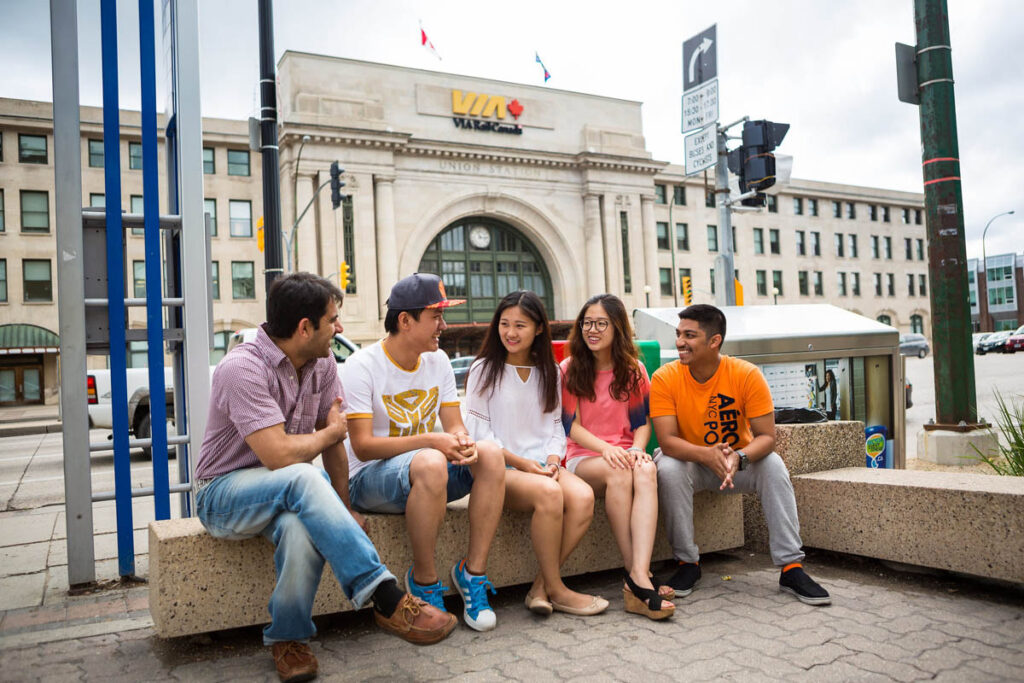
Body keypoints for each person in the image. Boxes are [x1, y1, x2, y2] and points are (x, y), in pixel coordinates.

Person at [194, 272, 456, 683]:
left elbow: (336, 448)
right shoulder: (241, 368)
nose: (340, 328)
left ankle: (288, 639)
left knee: (301, 530)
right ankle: (384, 596)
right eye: (333, 320)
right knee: (300, 475)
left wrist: (346, 508)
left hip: (287, 492)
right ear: (304, 328)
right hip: (224, 494)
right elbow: (281, 454)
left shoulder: (322, 364)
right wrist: (331, 432)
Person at [343, 273, 506, 632]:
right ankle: (425, 582)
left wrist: (461, 442)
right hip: (368, 482)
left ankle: (472, 575)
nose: (443, 326)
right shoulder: (362, 366)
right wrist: (434, 442)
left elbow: (454, 424)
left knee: (491, 454)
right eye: (436, 316)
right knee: (433, 461)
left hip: (424, 474)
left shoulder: (438, 361)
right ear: (405, 320)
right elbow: (362, 446)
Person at [651, 304, 831, 606]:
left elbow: (767, 438)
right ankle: (687, 564)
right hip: (690, 463)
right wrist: (706, 455)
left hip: (736, 464)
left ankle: (791, 567)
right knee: (668, 468)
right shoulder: (665, 377)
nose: (680, 342)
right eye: (678, 334)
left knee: (772, 465)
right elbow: (668, 442)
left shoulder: (746, 374)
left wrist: (740, 458)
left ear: (714, 341)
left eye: (689, 335)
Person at [464, 291, 608, 617]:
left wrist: (555, 460)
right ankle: (558, 590)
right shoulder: (484, 369)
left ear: (539, 329)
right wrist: (521, 463)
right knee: (549, 493)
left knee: (583, 497)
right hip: (503, 470)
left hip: (544, 465)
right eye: (504, 324)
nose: (510, 333)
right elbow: (478, 436)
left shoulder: (551, 372)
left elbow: (556, 426)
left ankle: (541, 586)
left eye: (520, 325)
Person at [560, 294, 675, 620]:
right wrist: (607, 449)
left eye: (600, 324)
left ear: (617, 328)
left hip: (625, 453)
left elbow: (642, 424)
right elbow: (571, 426)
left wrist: (637, 449)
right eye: (586, 323)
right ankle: (639, 576)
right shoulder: (569, 368)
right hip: (585, 457)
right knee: (620, 472)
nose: (591, 330)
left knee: (646, 471)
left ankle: (636, 576)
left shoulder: (633, 369)